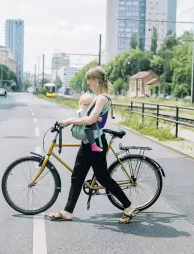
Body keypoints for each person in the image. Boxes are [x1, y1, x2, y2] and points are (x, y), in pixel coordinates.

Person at [48, 66, 138, 224]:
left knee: (101, 178)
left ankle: (128, 207)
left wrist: (68, 121)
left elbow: (90, 120)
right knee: (79, 177)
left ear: (96, 80)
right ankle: (68, 211)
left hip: (94, 143)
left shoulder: (102, 98)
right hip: (91, 142)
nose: (88, 83)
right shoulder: (98, 97)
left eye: (89, 80)